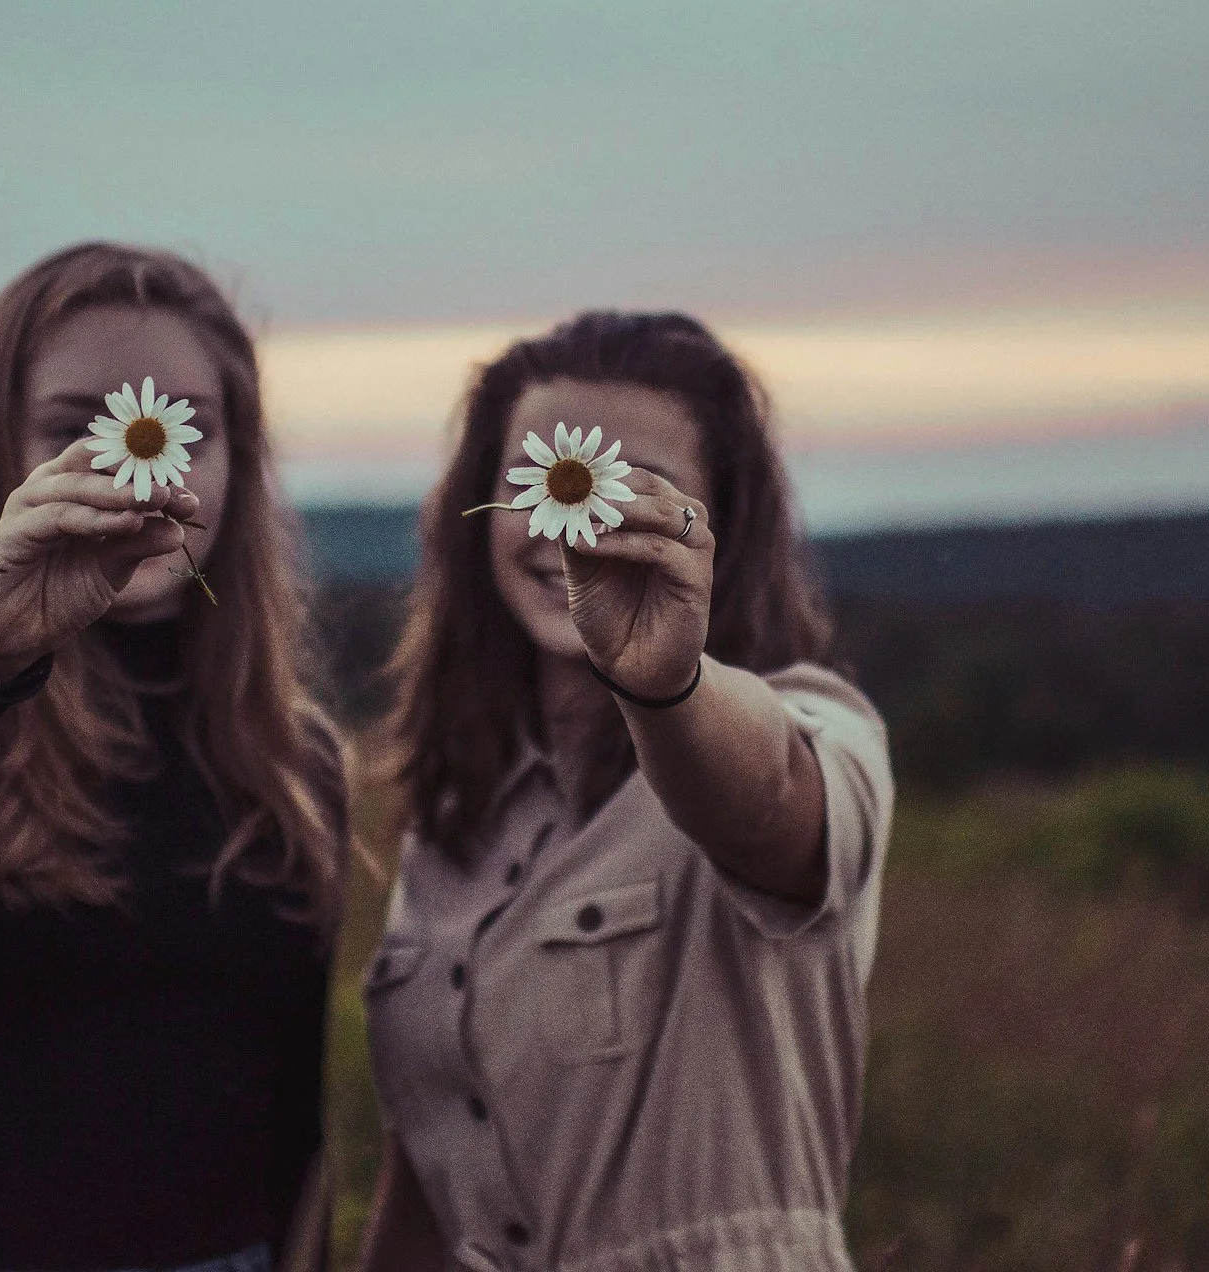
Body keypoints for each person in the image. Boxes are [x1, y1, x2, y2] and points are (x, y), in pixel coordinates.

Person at [0, 243, 346, 1272]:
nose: (139, 462)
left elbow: (295, 1124)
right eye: (77, 426)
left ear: (238, 461)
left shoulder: (293, 760)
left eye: (190, 427)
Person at [355, 311, 894, 1272]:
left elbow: (770, 804)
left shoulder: (815, 726)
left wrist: (665, 682)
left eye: (639, 485)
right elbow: (431, 1179)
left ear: (725, 522)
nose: (581, 517)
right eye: (546, 476)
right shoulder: (455, 818)